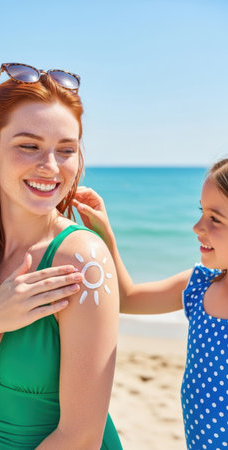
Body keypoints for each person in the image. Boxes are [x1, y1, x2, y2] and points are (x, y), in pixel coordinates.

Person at [0, 63, 122, 449]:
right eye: (29, 146)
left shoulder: (82, 260)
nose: (50, 167)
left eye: (66, 150)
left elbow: (80, 438)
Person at [73, 159, 228, 449]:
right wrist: (104, 232)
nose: (197, 227)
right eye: (201, 213)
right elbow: (126, 298)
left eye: (215, 219)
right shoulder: (198, 286)